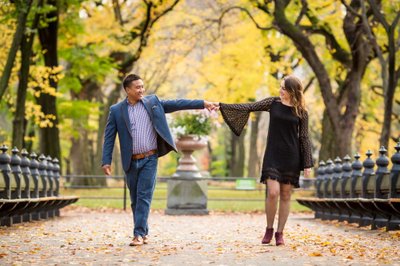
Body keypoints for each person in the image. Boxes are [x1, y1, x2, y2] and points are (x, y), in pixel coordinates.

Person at [101, 74, 219, 246]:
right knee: (135, 199)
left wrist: (202, 103)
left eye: (142, 86)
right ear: (127, 90)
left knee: (144, 196)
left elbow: (178, 103)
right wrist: (106, 161)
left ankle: (138, 234)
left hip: (150, 158)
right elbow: (109, 137)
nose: (141, 90)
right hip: (130, 161)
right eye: (137, 87)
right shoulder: (117, 110)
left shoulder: (152, 102)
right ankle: (144, 230)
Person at [219, 75, 313, 246]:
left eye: (283, 88)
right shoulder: (273, 103)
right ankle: (269, 229)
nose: (280, 90)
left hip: (291, 157)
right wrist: (222, 106)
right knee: (273, 192)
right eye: (280, 87)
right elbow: (250, 106)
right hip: (273, 156)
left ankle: (280, 233)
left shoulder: (301, 112)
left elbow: (304, 137)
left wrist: (307, 163)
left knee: (285, 195)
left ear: (292, 91)